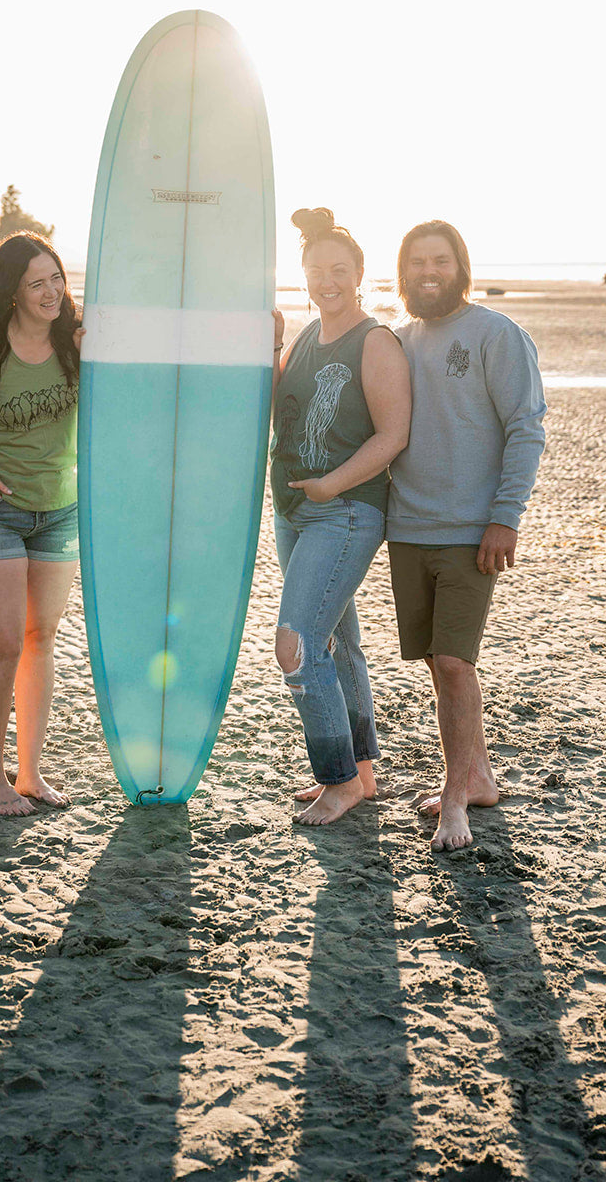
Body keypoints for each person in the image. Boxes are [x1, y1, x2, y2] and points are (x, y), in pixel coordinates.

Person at [387, 220, 546, 851]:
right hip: (407, 527)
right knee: (437, 661)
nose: (429, 271)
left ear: (462, 267)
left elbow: (525, 428)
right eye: (418, 261)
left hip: (470, 531)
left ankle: (455, 800)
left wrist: (505, 516)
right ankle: (477, 775)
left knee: (455, 662)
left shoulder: (496, 334)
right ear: (403, 273)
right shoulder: (399, 340)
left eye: (441, 261)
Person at [271, 207, 412, 826]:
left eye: (339, 270)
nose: (327, 280)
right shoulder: (307, 335)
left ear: (359, 274)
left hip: (345, 511)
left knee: (296, 646)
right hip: (295, 510)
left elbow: (393, 435)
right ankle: (363, 771)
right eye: (315, 270)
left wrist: (330, 484)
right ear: (302, 274)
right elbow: (278, 407)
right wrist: (272, 345)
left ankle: (338, 781)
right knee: (338, 641)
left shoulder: (373, 340)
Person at [0, 233, 80, 816]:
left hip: (61, 510)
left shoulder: (77, 342)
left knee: (40, 640)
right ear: (13, 291)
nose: (51, 291)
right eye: (37, 283)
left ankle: (30, 772)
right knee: (2, 646)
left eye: (56, 278)